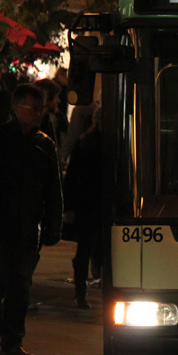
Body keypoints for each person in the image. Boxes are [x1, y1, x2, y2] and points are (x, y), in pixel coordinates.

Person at [0, 84, 63, 355]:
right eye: (32, 108)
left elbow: (52, 189)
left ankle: (12, 339)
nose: (37, 114)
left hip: (27, 227)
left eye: (40, 108)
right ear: (16, 108)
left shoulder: (44, 144)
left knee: (21, 286)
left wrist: (52, 225)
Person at [63, 110, 103, 309]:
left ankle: (81, 290)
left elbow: (71, 177)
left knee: (87, 249)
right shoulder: (90, 144)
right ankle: (82, 290)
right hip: (92, 204)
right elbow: (72, 177)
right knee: (88, 248)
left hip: (89, 203)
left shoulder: (86, 143)